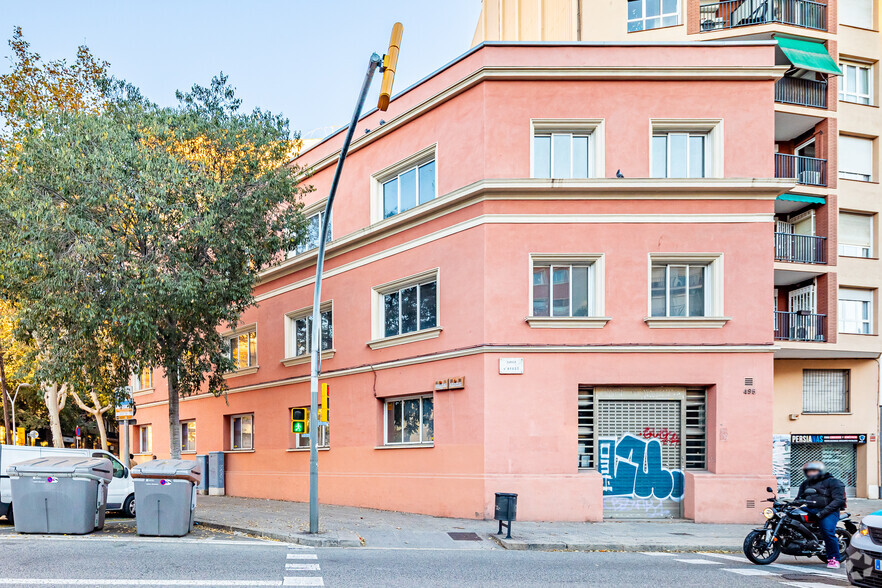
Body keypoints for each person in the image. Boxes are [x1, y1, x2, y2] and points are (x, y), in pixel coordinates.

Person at [796, 461, 846, 569]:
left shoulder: (834, 482)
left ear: (820, 471)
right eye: (809, 471)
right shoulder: (805, 483)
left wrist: (822, 513)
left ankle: (834, 559)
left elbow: (838, 501)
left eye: (813, 471)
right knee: (790, 517)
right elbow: (799, 499)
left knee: (827, 532)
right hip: (810, 509)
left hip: (829, 511)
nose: (811, 473)